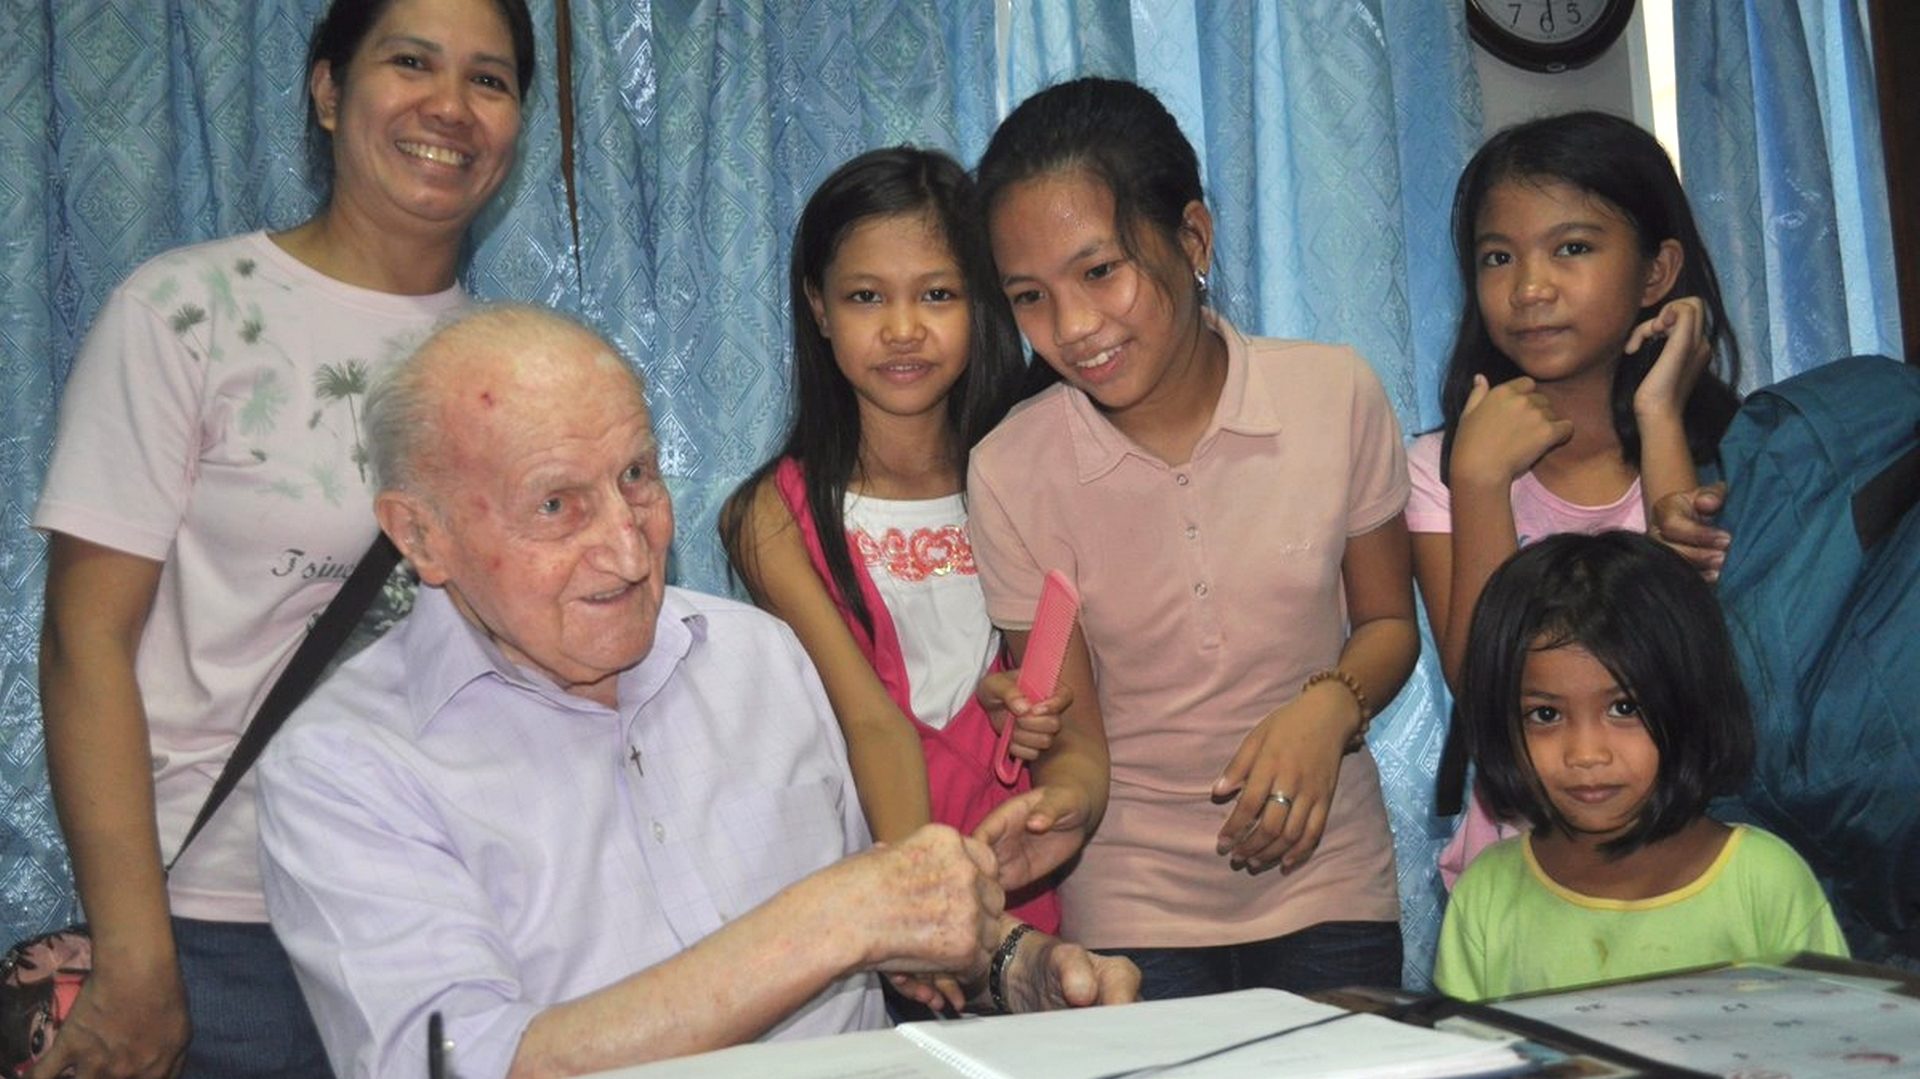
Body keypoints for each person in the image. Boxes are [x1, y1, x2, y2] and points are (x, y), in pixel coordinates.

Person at [254, 304, 1139, 1079]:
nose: (633, 552)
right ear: (422, 534)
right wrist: (828, 922)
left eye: (636, 477)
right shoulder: (345, 766)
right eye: (556, 506)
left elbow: (886, 946)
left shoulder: (758, 657)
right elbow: (463, 1063)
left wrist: (1014, 967)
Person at [31, 1, 535, 1075]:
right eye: (411, 62)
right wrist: (134, 955)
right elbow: (84, 646)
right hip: (218, 926)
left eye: (490, 80)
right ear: (325, 88)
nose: (451, 105)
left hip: (443, 921)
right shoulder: (184, 310)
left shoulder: (519, 365)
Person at [969, 77, 1421, 998]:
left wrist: (1328, 706)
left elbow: (1389, 626)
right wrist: (1061, 800)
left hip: (1330, 883)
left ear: (1194, 239)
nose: (1074, 328)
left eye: (1101, 272)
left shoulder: (1336, 396)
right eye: (1030, 296)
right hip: (1132, 910)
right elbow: (1077, 738)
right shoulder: (1010, 469)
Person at [720, 147, 1108, 936]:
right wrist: (924, 908)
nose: (903, 330)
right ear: (820, 308)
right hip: (883, 904)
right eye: (866, 296)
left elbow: (1073, 735)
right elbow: (873, 722)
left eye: (937, 293)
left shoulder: (1026, 477)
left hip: (1025, 896)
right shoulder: (772, 515)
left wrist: (1038, 742)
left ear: (983, 303)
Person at [1405, 111, 1744, 884]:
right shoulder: (1441, 466)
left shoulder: (1739, 452)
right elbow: (1486, 692)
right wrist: (1481, 484)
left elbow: (1683, 670)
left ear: (1657, 274)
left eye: (1572, 248)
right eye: (1499, 257)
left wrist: (1661, 418)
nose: (1529, 288)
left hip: (1699, 871)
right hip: (1522, 878)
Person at [1432, 532, 1847, 1001]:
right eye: (1545, 715)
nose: (1586, 754)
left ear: (1691, 703)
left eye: (1624, 708)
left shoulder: (1763, 880)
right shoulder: (1489, 890)